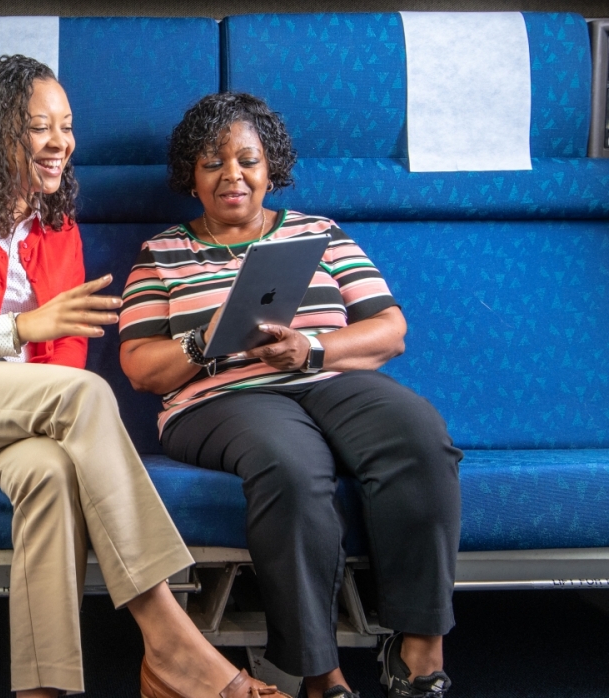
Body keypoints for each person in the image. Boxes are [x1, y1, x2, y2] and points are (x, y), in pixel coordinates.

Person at [0, 57, 289, 698]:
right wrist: (22, 328)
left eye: (67, 125)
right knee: (84, 395)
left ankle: (43, 689)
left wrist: (40, 359)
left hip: (18, 423)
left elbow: (68, 354)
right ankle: (170, 639)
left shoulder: (57, 227)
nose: (61, 141)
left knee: (52, 475)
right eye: (40, 126)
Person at [118, 92, 463, 698]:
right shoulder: (162, 253)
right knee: (292, 465)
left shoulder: (319, 232)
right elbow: (142, 369)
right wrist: (210, 336)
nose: (232, 176)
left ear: (270, 168)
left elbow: (390, 330)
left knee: (419, 435)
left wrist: (312, 348)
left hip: (329, 377)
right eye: (211, 163)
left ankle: (419, 652)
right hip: (219, 400)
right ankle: (319, 674)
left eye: (247, 160)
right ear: (189, 178)